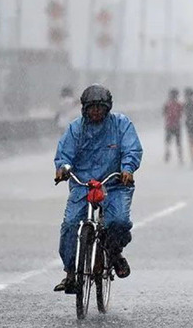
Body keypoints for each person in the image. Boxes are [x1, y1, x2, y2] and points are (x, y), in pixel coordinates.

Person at [53, 84, 143, 293]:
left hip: (115, 184)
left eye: (99, 108)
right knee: (70, 225)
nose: (95, 112)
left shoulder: (121, 125)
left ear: (107, 108)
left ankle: (114, 253)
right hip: (83, 185)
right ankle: (70, 273)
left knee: (118, 222)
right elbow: (64, 154)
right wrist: (63, 168)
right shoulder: (76, 129)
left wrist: (127, 169)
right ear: (84, 108)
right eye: (91, 108)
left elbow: (132, 149)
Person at [163, 88, 184, 165]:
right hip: (177, 125)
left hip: (169, 125)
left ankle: (167, 153)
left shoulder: (167, 104)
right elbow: (181, 114)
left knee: (168, 141)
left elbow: (164, 114)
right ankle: (180, 156)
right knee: (178, 142)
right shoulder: (179, 104)